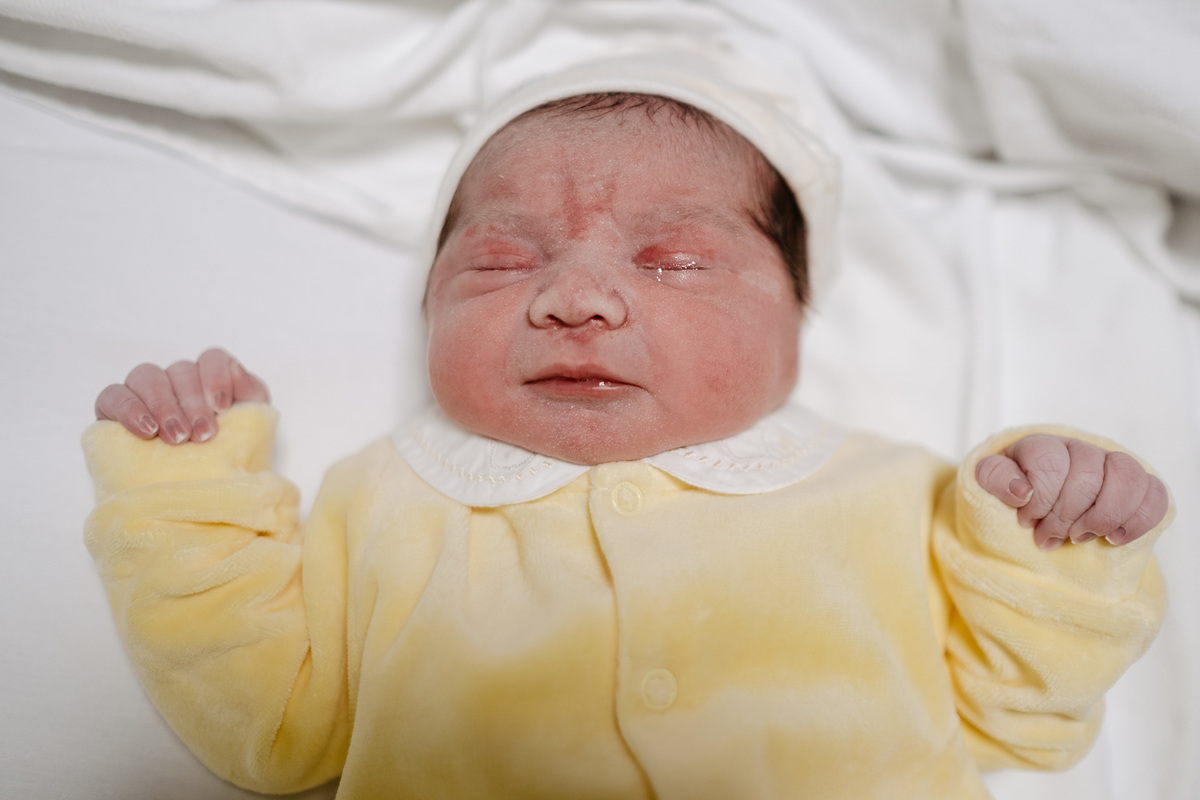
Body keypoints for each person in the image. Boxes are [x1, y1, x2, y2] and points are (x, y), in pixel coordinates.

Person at [84, 80, 1172, 799]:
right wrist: (187, 490)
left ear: (795, 322)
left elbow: (1019, 718)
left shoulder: (898, 493)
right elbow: (272, 728)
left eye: (678, 261)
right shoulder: (384, 498)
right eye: (501, 259)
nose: (578, 294)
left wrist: (1048, 536)